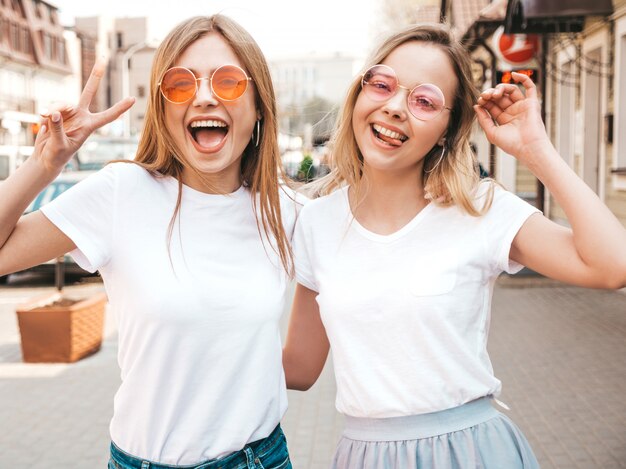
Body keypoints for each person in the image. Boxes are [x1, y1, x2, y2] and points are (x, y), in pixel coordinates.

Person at [282, 23, 626, 469]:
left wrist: (537, 150)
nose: (394, 108)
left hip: (470, 453)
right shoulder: (318, 222)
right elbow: (300, 368)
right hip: (365, 456)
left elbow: (612, 266)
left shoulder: (478, 209)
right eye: (382, 84)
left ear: (447, 129)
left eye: (424, 101)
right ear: (358, 94)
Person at [0, 15, 297, 469]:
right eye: (180, 84)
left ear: (259, 107)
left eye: (228, 81)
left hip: (259, 458)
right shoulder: (123, 191)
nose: (203, 97)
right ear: (162, 109)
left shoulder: (285, 211)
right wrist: (44, 164)